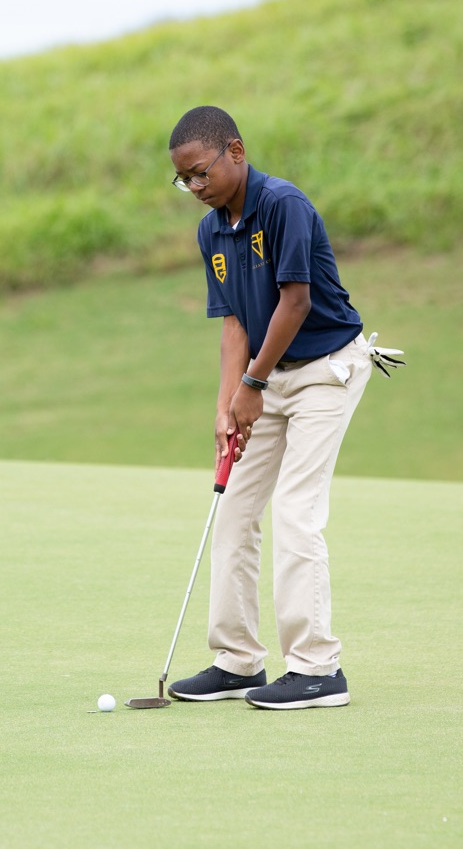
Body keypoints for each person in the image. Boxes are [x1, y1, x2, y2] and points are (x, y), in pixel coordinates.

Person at [165, 105, 402, 709]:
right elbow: (235, 325)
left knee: (296, 512)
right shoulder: (211, 231)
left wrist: (252, 386)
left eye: (200, 173)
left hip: (326, 369)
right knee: (235, 509)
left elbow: (293, 303)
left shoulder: (284, 205)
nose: (195, 188)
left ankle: (319, 669)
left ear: (235, 152)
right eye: (183, 180)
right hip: (264, 377)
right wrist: (226, 406)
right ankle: (238, 661)